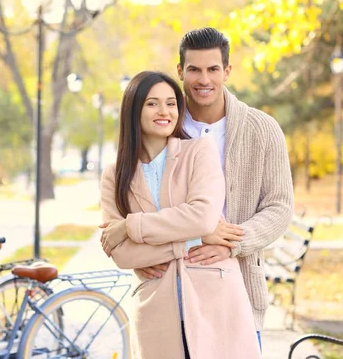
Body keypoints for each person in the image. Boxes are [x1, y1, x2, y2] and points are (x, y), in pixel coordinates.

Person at [135, 27, 295, 351]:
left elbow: (279, 206)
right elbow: (138, 202)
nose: (203, 79)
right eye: (194, 69)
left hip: (237, 288)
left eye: (213, 69)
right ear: (180, 71)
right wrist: (142, 252)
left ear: (227, 71)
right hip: (170, 290)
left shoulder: (262, 129)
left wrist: (233, 242)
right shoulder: (163, 127)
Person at [99, 70, 261, 359]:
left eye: (171, 103)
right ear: (134, 109)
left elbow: (201, 217)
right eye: (152, 103)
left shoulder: (199, 151)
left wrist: (130, 226)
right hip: (155, 310)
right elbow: (122, 255)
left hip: (215, 300)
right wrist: (191, 240)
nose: (164, 111)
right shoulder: (115, 175)